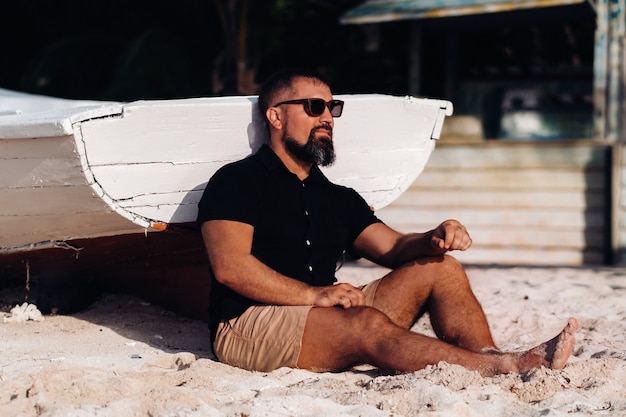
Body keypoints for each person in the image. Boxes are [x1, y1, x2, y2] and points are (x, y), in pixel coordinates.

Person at [197, 68, 578, 376]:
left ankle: (485, 356)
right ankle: (505, 367)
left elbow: (394, 249)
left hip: (326, 315)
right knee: (364, 323)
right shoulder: (238, 181)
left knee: (441, 269)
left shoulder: (336, 196)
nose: (327, 117)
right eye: (313, 107)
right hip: (250, 324)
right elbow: (231, 267)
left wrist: (434, 237)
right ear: (276, 115)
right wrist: (313, 295)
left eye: (333, 107)